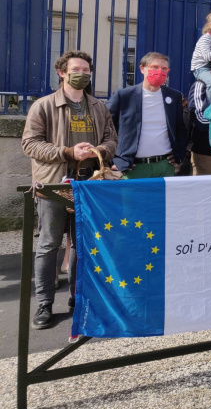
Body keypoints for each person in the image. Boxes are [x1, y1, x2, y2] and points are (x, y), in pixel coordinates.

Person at [21, 50, 117, 330]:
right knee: (49, 244)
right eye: (77, 69)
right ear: (62, 72)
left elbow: (112, 139)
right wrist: (67, 152)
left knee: (80, 244)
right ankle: (44, 304)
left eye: (87, 70)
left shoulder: (98, 107)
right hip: (53, 184)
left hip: (90, 184)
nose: (83, 74)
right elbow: (30, 144)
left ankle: (78, 299)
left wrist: (98, 150)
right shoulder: (43, 106)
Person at [106, 52, 187, 179]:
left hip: (165, 166)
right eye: (154, 67)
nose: (160, 72)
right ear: (142, 69)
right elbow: (106, 126)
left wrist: (179, 154)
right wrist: (113, 159)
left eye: (164, 68)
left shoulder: (174, 96)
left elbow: (180, 128)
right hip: (132, 168)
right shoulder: (124, 96)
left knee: (161, 200)